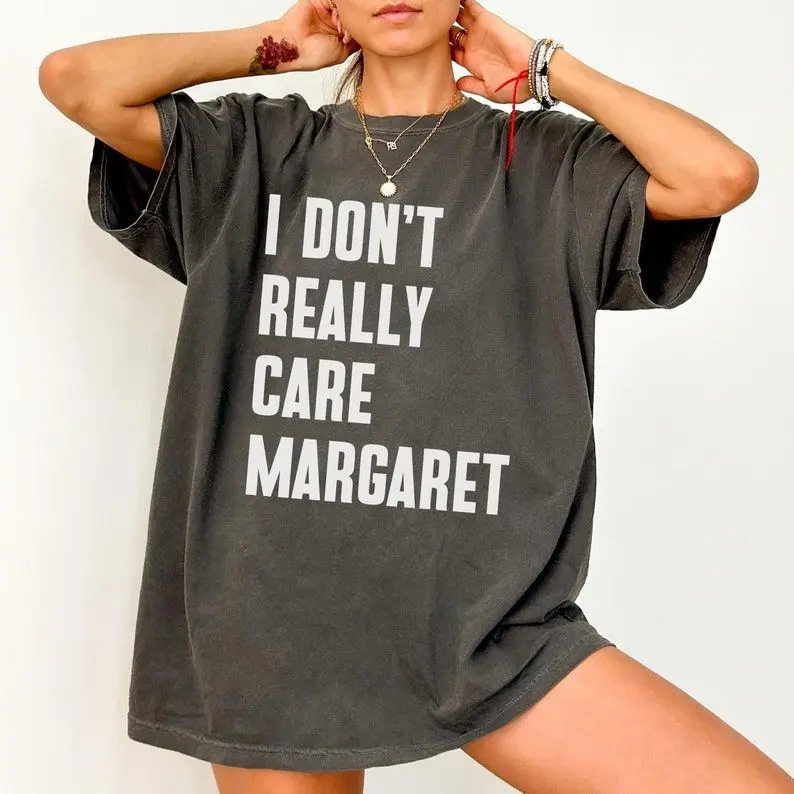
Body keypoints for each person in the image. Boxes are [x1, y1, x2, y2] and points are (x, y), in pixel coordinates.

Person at [38, 1, 791, 792]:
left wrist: (545, 68)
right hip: (273, 621)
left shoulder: (549, 162)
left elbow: (718, 176)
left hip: (490, 630)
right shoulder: (252, 148)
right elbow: (75, 81)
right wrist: (272, 47)